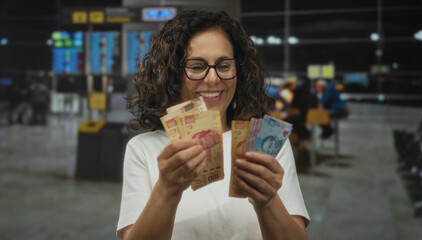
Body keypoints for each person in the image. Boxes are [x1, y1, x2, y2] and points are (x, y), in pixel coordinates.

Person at [117, 10, 310, 240]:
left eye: (224, 65)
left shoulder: (263, 145)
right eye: (197, 67)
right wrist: (167, 191)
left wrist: (267, 200)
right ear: (172, 75)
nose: (212, 79)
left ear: (239, 71)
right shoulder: (143, 149)